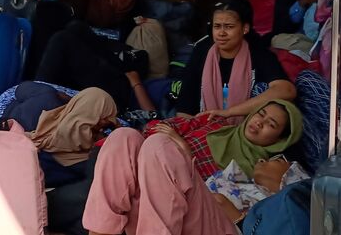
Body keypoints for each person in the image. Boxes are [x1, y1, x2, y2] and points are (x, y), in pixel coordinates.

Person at [83, 100, 302, 234]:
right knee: (124, 137)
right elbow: (161, 127)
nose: (260, 122)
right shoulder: (217, 126)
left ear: (281, 141)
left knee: (160, 147)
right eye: (260, 114)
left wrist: (183, 153)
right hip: (149, 191)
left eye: (271, 125)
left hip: (197, 217)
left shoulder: (287, 182)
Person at [177, 0, 296, 119]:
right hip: (203, 127)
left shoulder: (259, 54)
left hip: (245, 132)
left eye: (229, 26)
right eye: (217, 26)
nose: (221, 33)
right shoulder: (202, 51)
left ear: (245, 28)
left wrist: (229, 113)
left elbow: (286, 90)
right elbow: (185, 104)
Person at [31, 88, 117, 187]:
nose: (108, 122)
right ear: (90, 115)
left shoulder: (46, 128)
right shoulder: (86, 162)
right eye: (104, 116)